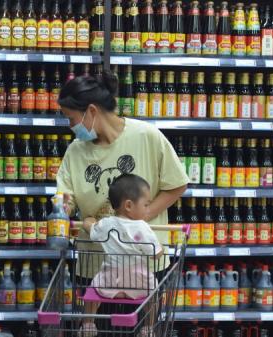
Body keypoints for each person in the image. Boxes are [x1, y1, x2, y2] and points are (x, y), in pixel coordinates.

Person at [56, 70, 188, 278]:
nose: (71, 126)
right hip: (96, 265)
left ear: (91, 111)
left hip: (145, 263)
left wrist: (142, 216)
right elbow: (66, 195)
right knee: (97, 309)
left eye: (72, 119)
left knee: (144, 310)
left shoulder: (146, 136)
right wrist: (63, 206)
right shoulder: (76, 150)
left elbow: (177, 184)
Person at [80, 174, 163, 336]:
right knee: (154, 295)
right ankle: (148, 328)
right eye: (146, 205)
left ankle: (88, 325)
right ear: (129, 205)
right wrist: (161, 251)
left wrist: (88, 220)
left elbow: (90, 229)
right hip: (138, 280)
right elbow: (155, 254)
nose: (148, 209)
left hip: (109, 279)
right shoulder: (142, 227)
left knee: (92, 292)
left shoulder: (106, 223)